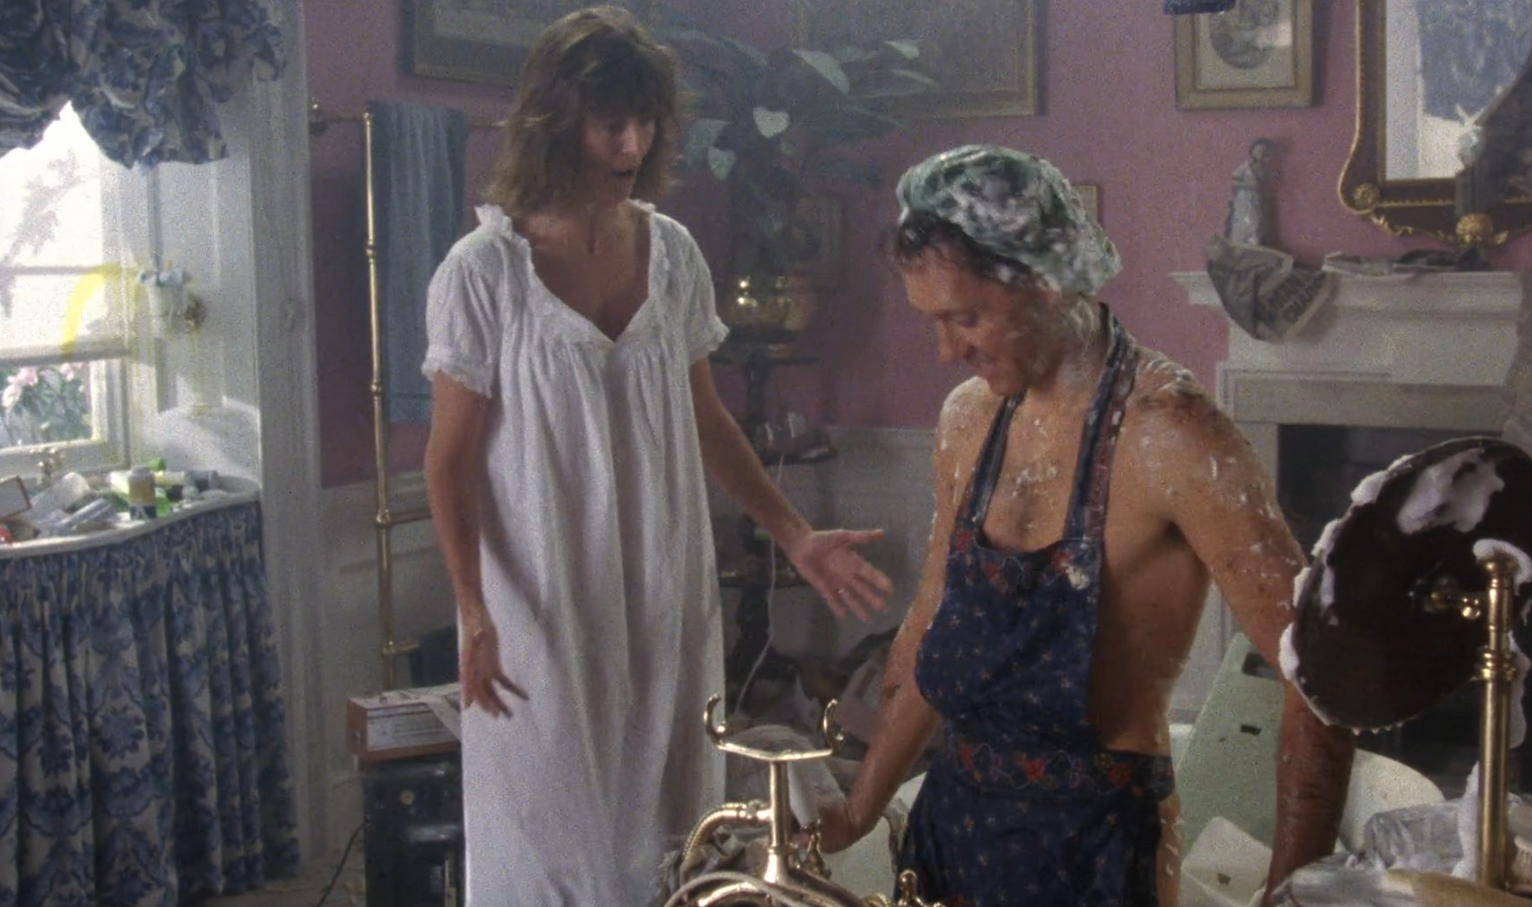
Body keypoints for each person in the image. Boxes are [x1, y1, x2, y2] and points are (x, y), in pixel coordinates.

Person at [419, 8, 893, 906]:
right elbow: (447, 462)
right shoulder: (484, 272)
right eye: (610, 124)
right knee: (555, 834)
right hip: (540, 606)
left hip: (663, 593)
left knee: (668, 832)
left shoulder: (671, 254)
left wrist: (795, 535)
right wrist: (473, 608)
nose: (632, 144)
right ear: (557, 122)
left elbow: (708, 419)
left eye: (645, 122)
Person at [810, 145, 1355, 907]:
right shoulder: (968, 418)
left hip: (1096, 850)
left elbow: (1318, 675)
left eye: (966, 316)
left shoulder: (1171, 431)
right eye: (934, 320)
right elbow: (932, 623)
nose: (946, 350)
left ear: (1044, 280)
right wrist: (859, 810)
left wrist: (1290, 891)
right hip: (949, 830)